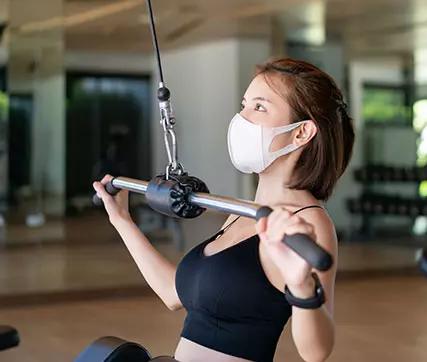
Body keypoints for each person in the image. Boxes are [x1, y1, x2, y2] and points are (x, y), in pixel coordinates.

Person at [93, 58, 355, 362]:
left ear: (301, 133)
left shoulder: (307, 223)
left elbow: (316, 352)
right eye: (243, 105)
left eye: (259, 107)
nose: (241, 118)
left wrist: (301, 286)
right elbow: (172, 293)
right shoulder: (241, 212)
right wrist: (121, 219)